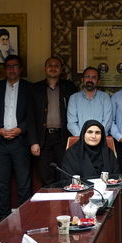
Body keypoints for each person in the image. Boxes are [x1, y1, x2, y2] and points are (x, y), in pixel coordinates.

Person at [0, 55, 32, 228]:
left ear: (21, 69)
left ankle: (24, 218)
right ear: (5, 69)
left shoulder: (29, 88)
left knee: (23, 183)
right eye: (9, 66)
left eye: (15, 66)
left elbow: (33, 113)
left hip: (20, 141)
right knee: (2, 183)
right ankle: (4, 218)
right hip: (0, 141)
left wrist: (21, 129)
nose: (12, 69)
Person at [28, 57, 77, 186]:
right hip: (43, 139)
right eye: (50, 65)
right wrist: (33, 142)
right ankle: (49, 199)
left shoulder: (69, 87)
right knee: (46, 176)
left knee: (65, 174)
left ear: (61, 69)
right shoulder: (35, 88)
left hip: (63, 137)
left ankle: (65, 199)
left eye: (56, 65)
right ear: (45, 68)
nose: (53, 68)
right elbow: (30, 117)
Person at [67, 66, 112, 137]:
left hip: (101, 139)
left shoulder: (105, 97)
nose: (90, 80)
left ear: (98, 81)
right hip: (80, 139)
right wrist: (83, 138)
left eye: (94, 77)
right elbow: (71, 123)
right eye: (87, 76)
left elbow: (107, 121)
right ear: (82, 79)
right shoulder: (74, 98)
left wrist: (96, 136)